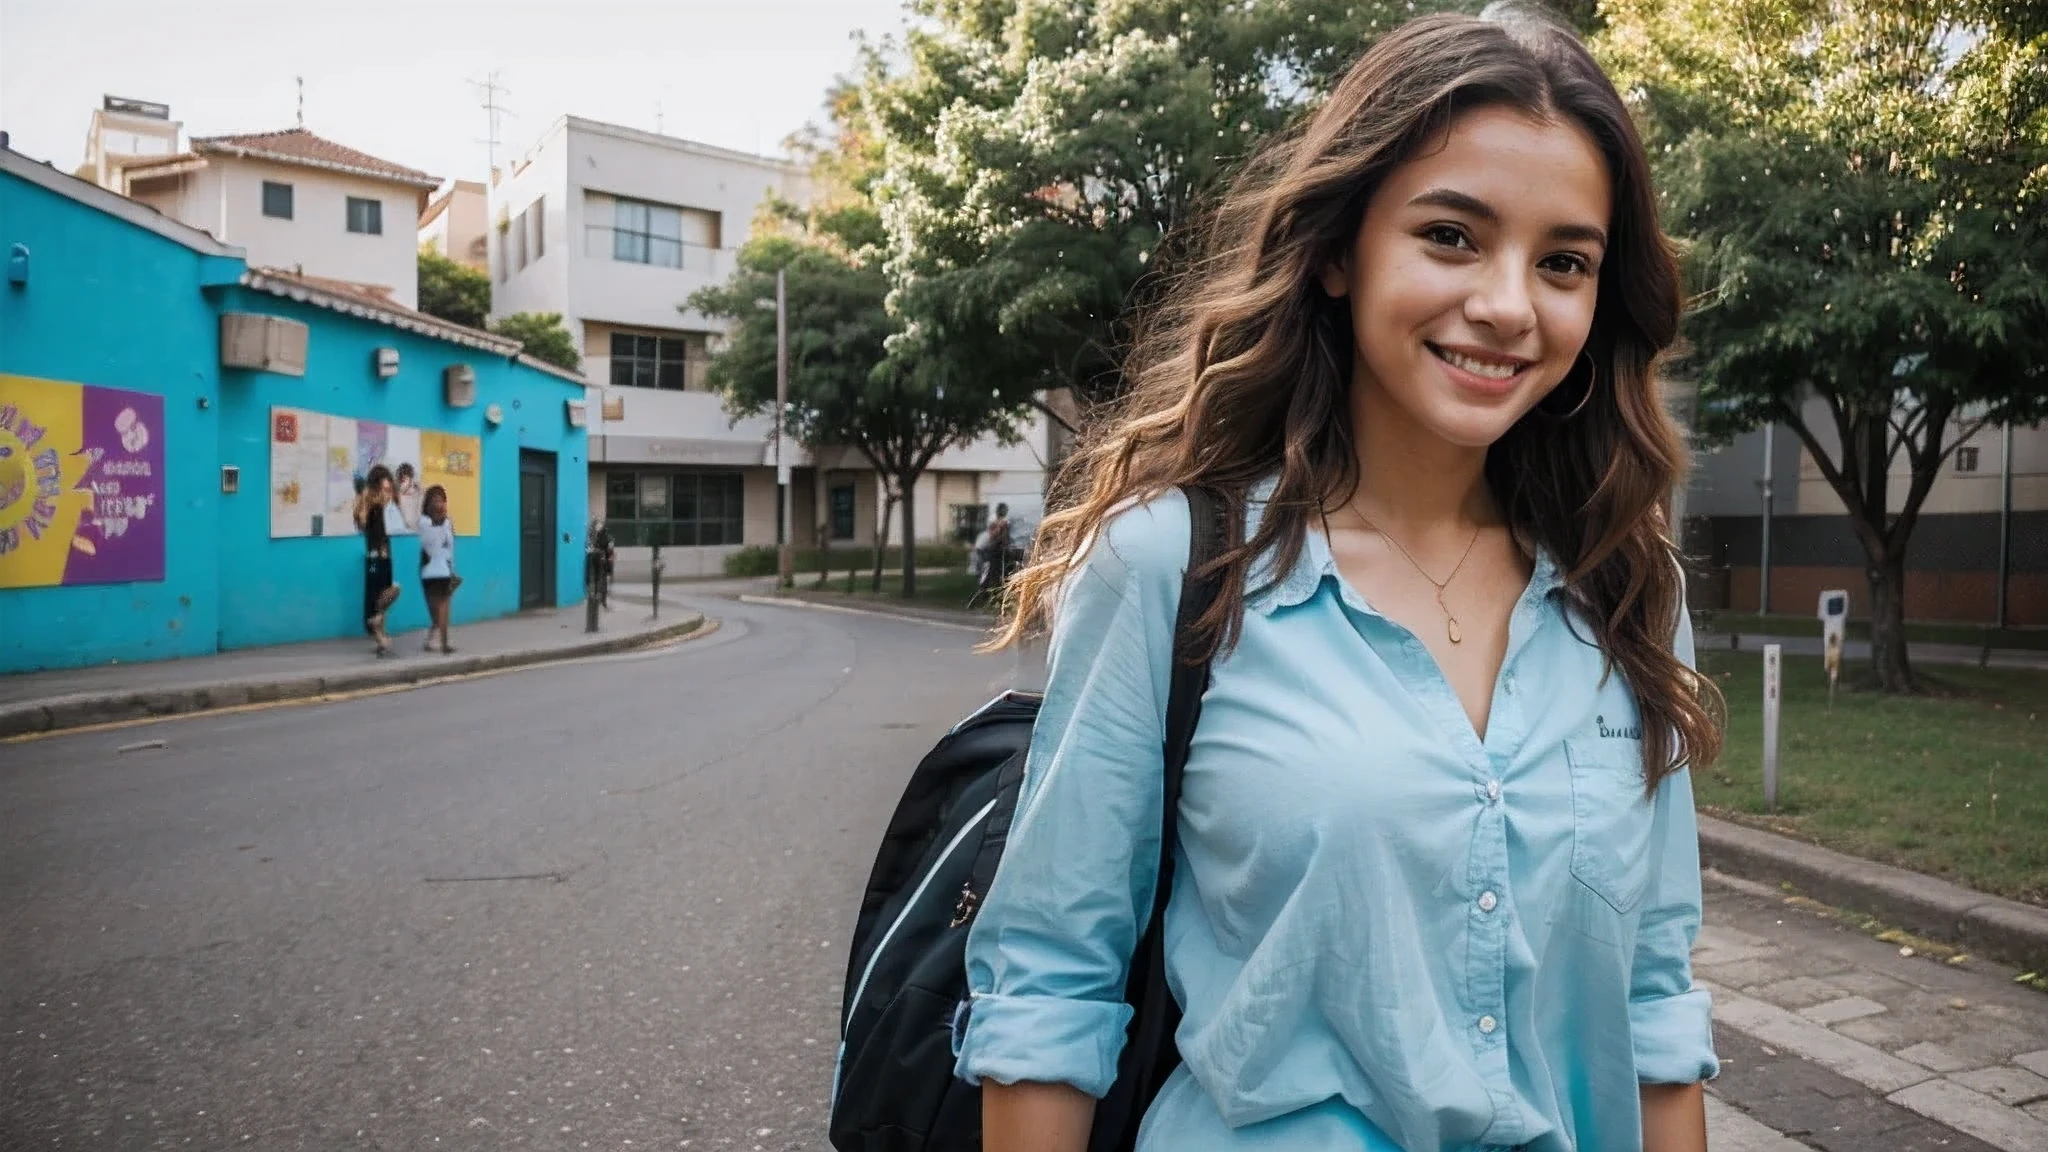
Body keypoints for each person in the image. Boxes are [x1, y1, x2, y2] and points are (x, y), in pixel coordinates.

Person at [959, 10, 1724, 1152]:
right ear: (1333, 250)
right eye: (1452, 237)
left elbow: (1653, 1003)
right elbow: (1047, 992)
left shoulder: (1629, 588)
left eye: (1562, 261)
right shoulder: (1170, 563)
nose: (1510, 305)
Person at [353, 465, 400, 657]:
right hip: (375, 556)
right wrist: (366, 502)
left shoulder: (383, 506)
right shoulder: (369, 503)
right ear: (376, 487)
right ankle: (378, 629)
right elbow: (362, 524)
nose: (387, 494)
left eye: (389, 489)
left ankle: (380, 634)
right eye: (385, 489)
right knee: (383, 595)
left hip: (385, 555)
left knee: (385, 594)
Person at [417, 484, 458, 654]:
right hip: (429, 570)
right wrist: (440, 521)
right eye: (435, 501)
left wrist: (452, 567)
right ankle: (435, 640)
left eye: (442, 500)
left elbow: (449, 547)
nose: (440, 504)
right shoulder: (424, 522)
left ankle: (444, 642)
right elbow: (431, 544)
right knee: (436, 611)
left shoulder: (448, 522)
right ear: (428, 504)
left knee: (444, 607)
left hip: (445, 569)